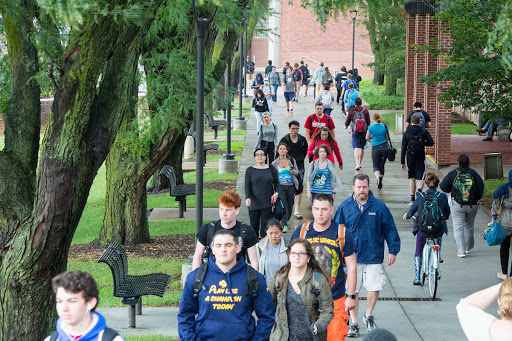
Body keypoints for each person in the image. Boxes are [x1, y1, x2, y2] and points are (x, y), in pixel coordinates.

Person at [334, 174, 401, 337]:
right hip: (352, 257)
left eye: (364, 187)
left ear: (368, 187)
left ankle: (369, 315)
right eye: (359, 187)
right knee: (353, 290)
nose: (362, 190)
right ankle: (354, 323)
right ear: (353, 188)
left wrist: (393, 249)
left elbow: (390, 228)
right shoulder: (344, 207)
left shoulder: (379, 207)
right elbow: (336, 231)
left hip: (373, 254)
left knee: (374, 286)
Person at [179, 230, 275, 341]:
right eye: (218, 245)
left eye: (228, 245)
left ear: (237, 248)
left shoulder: (254, 278)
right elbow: (185, 315)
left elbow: (267, 316)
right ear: (213, 249)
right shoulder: (195, 277)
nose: (223, 250)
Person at [291, 194, 358, 341]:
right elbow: (291, 265)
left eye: (324, 209)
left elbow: (352, 266)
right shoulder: (301, 233)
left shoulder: (342, 233)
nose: (320, 213)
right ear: (312, 209)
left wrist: (351, 296)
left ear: (331, 210)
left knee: (336, 337)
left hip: (335, 300)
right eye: (316, 209)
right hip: (306, 300)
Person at [269, 238, 334, 341]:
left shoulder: (317, 278)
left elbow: (328, 309)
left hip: (311, 337)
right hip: (283, 337)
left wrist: (320, 324)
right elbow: (268, 307)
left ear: (308, 257)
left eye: (301, 253)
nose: (297, 257)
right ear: (289, 256)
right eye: (293, 253)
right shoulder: (278, 278)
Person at [45, 271, 124, 341]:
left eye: (72, 301)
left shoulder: (112, 339)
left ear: (91, 303)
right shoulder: (52, 339)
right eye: (59, 301)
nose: (64, 308)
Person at [192, 190, 259, 271]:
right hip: (212, 276)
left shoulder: (247, 231)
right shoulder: (208, 229)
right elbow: (198, 256)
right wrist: (195, 278)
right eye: (221, 209)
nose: (224, 213)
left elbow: (254, 261)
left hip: (238, 276)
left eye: (228, 210)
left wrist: (253, 281)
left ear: (237, 210)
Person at [403, 172, 450, 285]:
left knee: (419, 250)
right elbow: (447, 211)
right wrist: (445, 217)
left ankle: (417, 277)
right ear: (437, 185)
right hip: (437, 230)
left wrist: (408, 215)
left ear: (426, 185)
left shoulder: (421, 196)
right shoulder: (442, 196)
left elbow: (413, 208)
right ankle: (437, 257)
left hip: (423, 230)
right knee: (439, 235)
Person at [439, 154, 484, 258]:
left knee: (458, 228)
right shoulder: (474, 174)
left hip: (457, 204)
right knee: (469, 225)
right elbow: (481, 187)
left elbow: (443, 187)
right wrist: (475, 197)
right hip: (472, 205)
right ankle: (468, 247)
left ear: (458, 162)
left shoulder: (453, 173)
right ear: (468, 163)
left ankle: (461, 251)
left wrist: (453, 190)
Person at [400, 114, 434, 205]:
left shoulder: (407, 132)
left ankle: (412, 199)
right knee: (420, 176)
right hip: (420, 156)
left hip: (410, 157)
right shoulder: (423, 131)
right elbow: (431, 142)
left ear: (411, 122)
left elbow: (403, 147)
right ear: (419, 121)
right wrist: (423, 144)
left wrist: (402, 161)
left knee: (411, 177)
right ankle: (419, 190)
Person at [245, 148, 280, 238]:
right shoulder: (250, 170)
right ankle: (254, 248)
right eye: (257, 155)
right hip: (254, 202)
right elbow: (247, 185)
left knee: (265, 228)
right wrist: (247, 198)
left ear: (265, 157)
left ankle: (265, 248)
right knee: (254, 227)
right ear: (254, 157)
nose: (260, 156)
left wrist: (276, 193)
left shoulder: (271, 169)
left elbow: (277, 183)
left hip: (267, 202)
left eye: (262, 154)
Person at [280, 120, 309, 219]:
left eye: (297, 128)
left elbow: (305, 151)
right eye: (293, 128)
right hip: (287, 166)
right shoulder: (284, 139)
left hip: (299, 166)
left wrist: (299, 160)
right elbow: (280, 152)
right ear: (289, 129)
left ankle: (296, 210)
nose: (295, 130)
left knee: (299, 187)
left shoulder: (302, 139)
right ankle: (286, 207)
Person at [271, 142, 300, 230]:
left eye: (284, 149)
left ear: (287, 150)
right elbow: (272, 177)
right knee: (284, 205)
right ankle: (283, 224)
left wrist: (294, 171)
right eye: (281, 149)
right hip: (280, 187)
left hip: (291, 186)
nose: (282, 150)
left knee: (290, 206)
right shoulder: (274, 163)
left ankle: (285, 221)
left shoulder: (291, 160)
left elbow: (297, 172)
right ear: (278, 151)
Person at [492, 169, 512, 280]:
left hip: (505, 222)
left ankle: (504, 273)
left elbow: (495, 206)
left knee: (504, 247)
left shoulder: (503, 190)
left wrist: (493, 218)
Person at [258, 219, 288, 284]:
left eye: (276, 233)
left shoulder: (288, 246)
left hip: (284, 286)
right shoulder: (260, 247)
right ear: (266, 232)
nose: (273, 236)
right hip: (265, 286)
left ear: (281, 232)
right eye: (270, 233)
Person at [345, 98, 371, 171]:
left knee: (356, 147)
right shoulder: (365, 111)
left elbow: (347, 121)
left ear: (354, 103)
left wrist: (346, 126)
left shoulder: (352, 111)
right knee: (361, 147)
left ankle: (357, 163)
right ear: (361, 103)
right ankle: (360, 162)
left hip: (355, 131)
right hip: (364, 131)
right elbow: (368, 122)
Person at [366, 112, 390, 189]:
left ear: (373, 118)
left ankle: (378, 178)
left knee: (376, 166)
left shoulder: (371, 128)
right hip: (384, 147)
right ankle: (380, 180)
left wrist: (372, 138)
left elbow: (367, 137)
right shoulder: (385, 127)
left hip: (375, 148)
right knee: (382, 165)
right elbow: (387, 138)